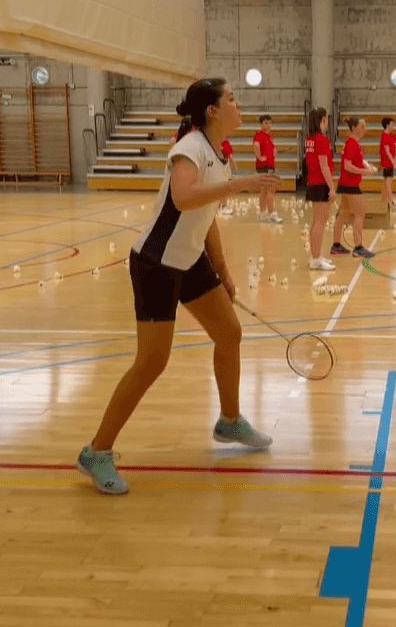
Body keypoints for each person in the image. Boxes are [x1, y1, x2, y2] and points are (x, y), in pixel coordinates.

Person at [76, 77, 281, 495]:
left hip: (189, 261)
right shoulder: (189, 147)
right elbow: (184, 198)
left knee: (229, 333)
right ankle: (97, 451)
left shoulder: (220, 153)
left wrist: (222, 270)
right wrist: (238, 186)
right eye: (232, 99)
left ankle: (229, 421)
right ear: (212, 110)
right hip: (155, 264)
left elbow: (205, 219)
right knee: (152, 361)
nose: (239, 105)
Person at [329, 117, 379, 259]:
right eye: (362, 126)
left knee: (344, 213)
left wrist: (366, 165)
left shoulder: (353, 143)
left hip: (345, 183)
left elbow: (356, 159)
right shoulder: (352, 143)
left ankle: (336, 245)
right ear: (354, 128)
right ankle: (358, 248)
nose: (365, 129)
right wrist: (366, 172)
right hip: (350, 184)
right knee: (360, 213)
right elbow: (347, 166)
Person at [304, 107, 337, 271]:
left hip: (312, 182)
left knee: (316, 221)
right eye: (326, 120)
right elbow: (324, 166)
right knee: (320, 222)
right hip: (321, 183)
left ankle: (316, 256)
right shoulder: (321, 140)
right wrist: (332, 188)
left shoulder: (309, 139)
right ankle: (316, 259)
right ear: (322, 121)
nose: (326, 124)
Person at [252, 115, 282, 223]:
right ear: (261, 124)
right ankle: (272, 214)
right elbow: (256, 145)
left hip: (269, 165)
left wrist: (274, 152)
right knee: (270, 189)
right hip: (265, 166)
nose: (268, 125)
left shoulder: (268, 137)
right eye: (266, 123)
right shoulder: (259, 135)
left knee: (264, 191)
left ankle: (262, 213)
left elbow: (272, 150)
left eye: (270, 123)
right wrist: (260, 157)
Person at [218, 138, 235, 216]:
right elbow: (230, 156)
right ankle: (223, 206)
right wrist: (234, 165)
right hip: (221, 166)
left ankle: (222, 206)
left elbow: (230, 155)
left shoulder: (225, 142)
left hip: (224, 165)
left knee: (224, 187)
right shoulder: (220, 142)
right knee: (223, 187)